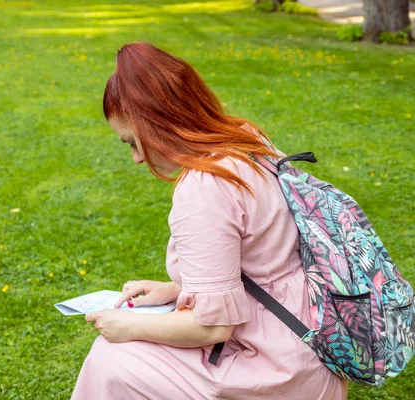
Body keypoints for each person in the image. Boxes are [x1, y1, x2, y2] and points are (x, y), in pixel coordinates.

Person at [71, 42, 349, 400]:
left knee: (111, 360)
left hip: (277, 369)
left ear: (157, 124)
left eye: (132, 142)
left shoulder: (205, 185)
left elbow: (214, 327)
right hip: (316, 343)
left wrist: (127, 324)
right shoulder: (247, 138)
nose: (137, 159)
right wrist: (177, 291)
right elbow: (265, 261)